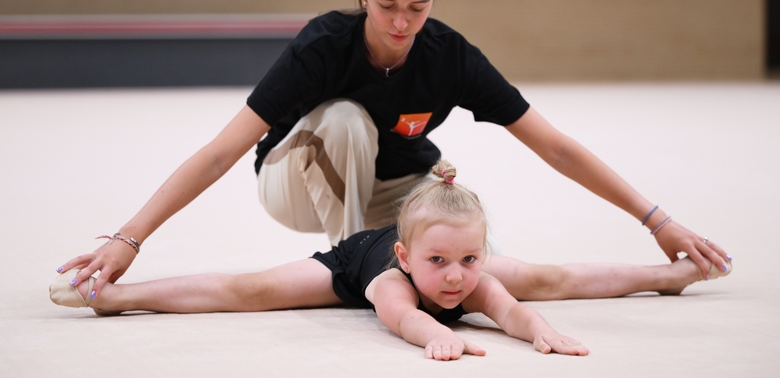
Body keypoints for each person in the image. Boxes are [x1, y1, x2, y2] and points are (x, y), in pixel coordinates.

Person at [56, 0, 731, 302]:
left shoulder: (451, 56)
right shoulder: (323, 44)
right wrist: (130, 236)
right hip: (295, 180)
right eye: (386, 6)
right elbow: (219, 151)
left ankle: (663, 281)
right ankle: (363, 272)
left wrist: (658, 222)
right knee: (348, 120)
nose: (402, 22)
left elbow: (553, 145)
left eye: (419, 6)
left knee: (481, 273)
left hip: (394, 187)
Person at [50, 161, 731, 360]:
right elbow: (404, 321)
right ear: (409, 256)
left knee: (554, 280)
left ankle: (664, 279)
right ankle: (116, 297)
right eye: (441, 263)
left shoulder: (471, 269)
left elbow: (511, 307)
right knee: (250, 288)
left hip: (418, 246)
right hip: (351, 268)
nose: (458, 277)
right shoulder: (393, 280)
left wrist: (539, 331)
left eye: (469, 259)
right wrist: (438, 332)